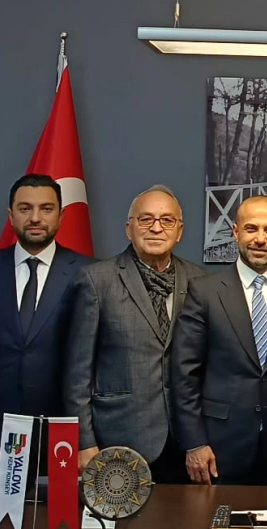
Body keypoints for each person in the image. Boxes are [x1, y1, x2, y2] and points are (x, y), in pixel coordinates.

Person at [0, 174, 89, 529]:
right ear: (10, 215)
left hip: (62, 432)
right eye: (25, 208)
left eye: (46, 209)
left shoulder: (89, 272)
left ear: (61, 215)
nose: (35, 218)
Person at [171, 195, 267, 487]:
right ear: (235, 232)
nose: (260, 239)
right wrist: (194, 442)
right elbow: (184, 374)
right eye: (251, 228)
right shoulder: (204, 292)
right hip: (218, 447)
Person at [65, 185, 205, 481]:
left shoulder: (200, 281)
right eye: (146, 219)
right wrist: (84, 442)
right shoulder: (96, 281)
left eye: (167, 220)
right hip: (120, 437)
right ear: (129, 228)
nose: (156, 228)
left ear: (179, 231)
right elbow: (77, 373)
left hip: (186, 441)